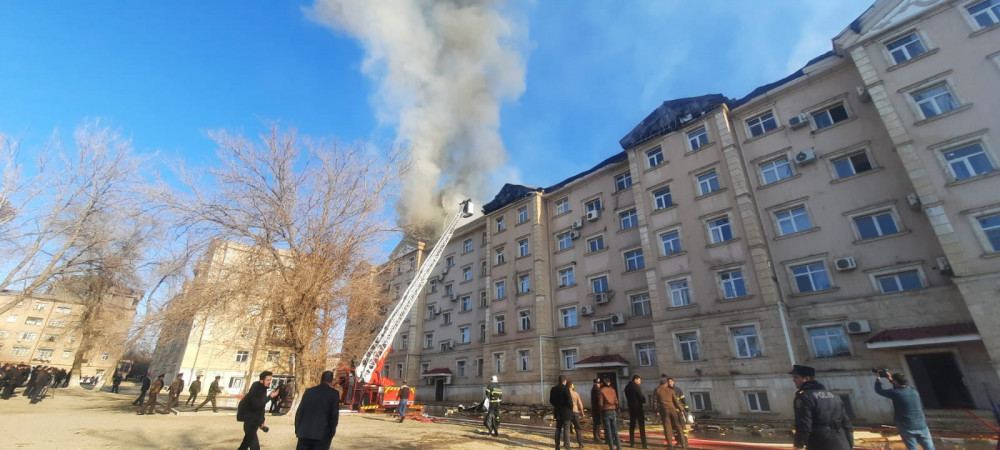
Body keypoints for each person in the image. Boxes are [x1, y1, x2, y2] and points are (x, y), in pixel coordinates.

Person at [791, 365, 853, 450]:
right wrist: (850, 444)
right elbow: (847, 424)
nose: (793, 380)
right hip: (842, 443)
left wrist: (799, 445)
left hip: (820, 443)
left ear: (807, 378)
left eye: (796, 377)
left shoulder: (804, 397)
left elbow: (804, 425)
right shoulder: (834, 395)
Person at [874, 371, 935, 450]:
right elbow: (900, 387)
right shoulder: (913, 391)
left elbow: (879, 390)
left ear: (895, 382)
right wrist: (890, 378)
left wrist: (878, 378)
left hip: (906, 427)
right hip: (921, 425)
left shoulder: (895, 393)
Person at [294, 370, 341, 450]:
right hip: (322, 434)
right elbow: (334, 416)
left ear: (321, 379)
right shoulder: (334, 394)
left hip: (304, 433)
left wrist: (298, 429)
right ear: (331, 381)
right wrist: (332, 432)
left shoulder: (309, 392)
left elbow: (300, 412)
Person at [237, 370, 279, 450]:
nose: (269, 382)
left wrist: (261, 421)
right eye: (268, 380)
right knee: (255, 447)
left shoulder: (262, 389)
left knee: (245, 444)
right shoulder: (256, 389)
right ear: (261, 380)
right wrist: (270, 397)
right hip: (250, 421)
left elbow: (261, 408)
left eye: (270, 380)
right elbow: (257, 405)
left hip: (254, 421)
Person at [654, 375, 687, 449]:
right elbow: (676, 402)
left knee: (667, 428)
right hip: (673, 410)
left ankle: (670, 445)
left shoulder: (657, 390)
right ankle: (683, 444)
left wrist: (656, 411)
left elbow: (655, 402)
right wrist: (682, 410)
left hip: (664, 411)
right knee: (678, 426)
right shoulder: (671, 390)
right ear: (666, 383)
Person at [549, 375, 573, 450]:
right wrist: (570, 408)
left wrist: (557, 405)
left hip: (558, 412)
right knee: (566, 430)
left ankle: (557, 446)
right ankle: (567, 447)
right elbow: (570, 402)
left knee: (558, 429)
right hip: (566, 413)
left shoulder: (553, 389)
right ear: (564, 381)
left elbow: (551, 401)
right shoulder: (566, 389)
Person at [597, 378, 622, 450]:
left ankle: (611, 447)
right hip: (613, 410)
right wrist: (617, 408)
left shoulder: (601, 391)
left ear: (603, 383)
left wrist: (600, 410)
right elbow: (616, 401)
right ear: (609, 383)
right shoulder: (613, 390)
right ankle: (619, 447)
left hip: (606, 411)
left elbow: (600, 404)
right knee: (615, 430)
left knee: (608, 430)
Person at [624, 375, 647, 448]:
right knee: (641, 426)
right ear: (636, 380)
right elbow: (641, 397)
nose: (640, 381)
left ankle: (632, 443)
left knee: (632, 426)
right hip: (638, 408)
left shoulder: (627, 387)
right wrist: (644, 400)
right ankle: (644, 444)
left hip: (631, 408)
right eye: (639, 380)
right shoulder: (636, 387)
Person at [569, 382, 586, 448]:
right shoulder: (576, 394)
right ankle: (580, 444)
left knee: (566, 429)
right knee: (578, 429)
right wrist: (582, 413)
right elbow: (580, 404)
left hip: (568, 413)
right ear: (572, 386)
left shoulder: (565, 394)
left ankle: (566, 444)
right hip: (575, 412)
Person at [590, 378, 604, 443]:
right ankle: (597, 437)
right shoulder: (597, 390)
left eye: (599, 383)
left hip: (595, 409)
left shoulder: (593, 389)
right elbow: (599, 401)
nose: (599, 384)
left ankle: (597, 436)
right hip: (597, 409)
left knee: (596, 423)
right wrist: (601, 408)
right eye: (598, 383)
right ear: (595, 383)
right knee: (597, 423)